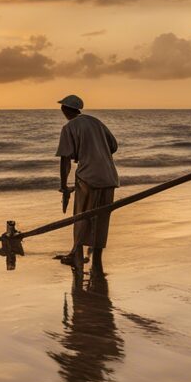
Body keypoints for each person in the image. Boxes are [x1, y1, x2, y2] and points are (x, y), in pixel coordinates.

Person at [54, 94, 119, 274]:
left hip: (88, 177)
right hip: (109, 176)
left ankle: (76, 254)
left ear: (65, 110)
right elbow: (114, 146)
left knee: (81, 216)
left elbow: (65, 160)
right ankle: (96, 258)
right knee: (101, 218)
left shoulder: (69, 127)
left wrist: (64, 186)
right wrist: (98, 153)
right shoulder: (96, 122)